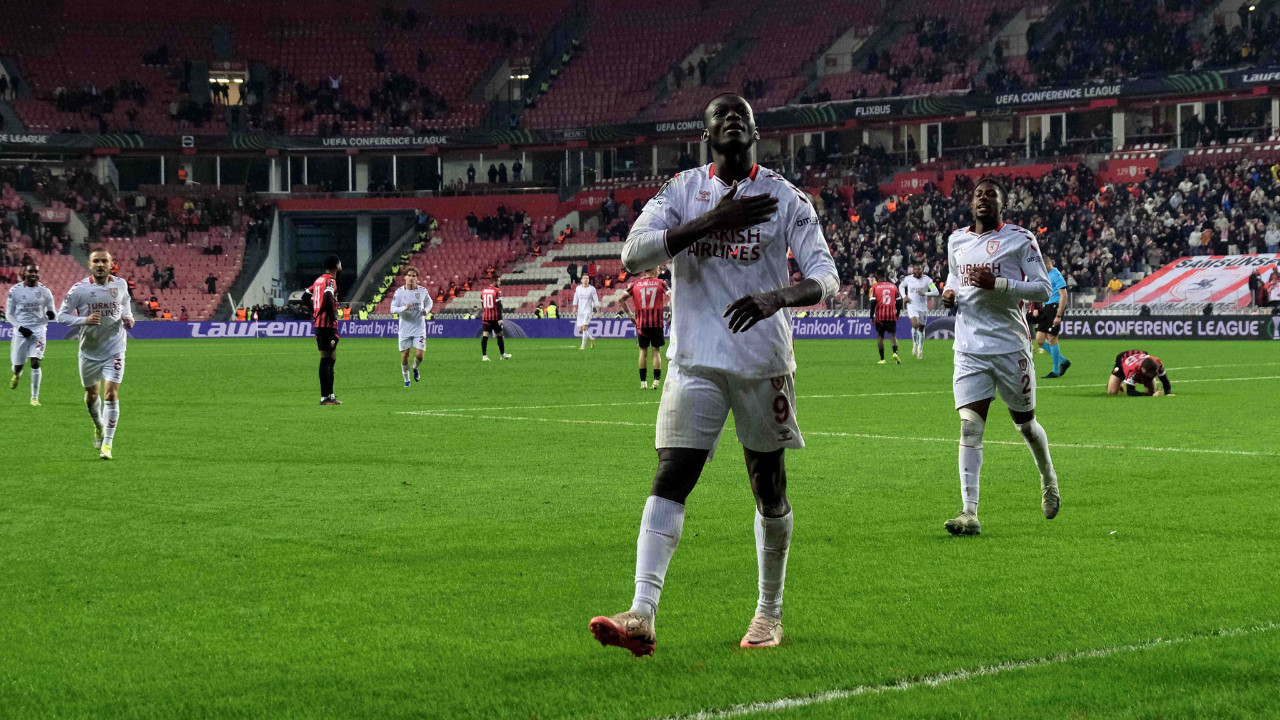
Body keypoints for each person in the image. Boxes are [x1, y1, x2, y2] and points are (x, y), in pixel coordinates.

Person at [590, 93, 839, 656]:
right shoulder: (680, 191)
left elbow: (826, 276)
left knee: (768, 487)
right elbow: (632, 255)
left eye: (740, 114)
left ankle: (769, 613)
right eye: (720, 115)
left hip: (762, 363)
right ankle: (641, 613)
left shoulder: (784, 196)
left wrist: (778, 296)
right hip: (695, 361)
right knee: (671, 476)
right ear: (706, 135)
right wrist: (712, 221)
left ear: (755, 130)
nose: (731, 119)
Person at [939, 177, 1059, 536]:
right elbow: (953, 276)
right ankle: (969, 512)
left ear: (1002, 204)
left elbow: (1043, 289)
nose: (983, 199)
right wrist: (948, 292)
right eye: (978, 195)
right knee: (970, 426)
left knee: (1025, 425)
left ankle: (1048, 479)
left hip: (1009, 347)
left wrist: (999, 284)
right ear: (971, 202)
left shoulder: (1020, 239)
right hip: (968, 348)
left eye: (991, 195)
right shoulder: (956, 240)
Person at [57, 249, 135, 459]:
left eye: (104, 261)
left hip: (115, 348)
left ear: (111, 264)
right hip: (89, 351)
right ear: (90, 265)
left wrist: (128, 317)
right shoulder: (79, 290)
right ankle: (99, 425)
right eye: (96, 261)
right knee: (92, 395)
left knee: (111, 394)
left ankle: (107, 444)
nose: (100, 265)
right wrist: (84, 320)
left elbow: (125, 306)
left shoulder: (120, 285)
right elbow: (61, 317)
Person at [7, 264, 57, 406]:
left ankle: (34, 398)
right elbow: (9, 314)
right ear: (24, 273)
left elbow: (52, 311)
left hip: (39, 332)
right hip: (21, 332)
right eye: (31, 271)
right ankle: (17, 374)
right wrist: (20, 328)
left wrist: (51, 314)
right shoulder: (15, 291)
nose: (34, 274)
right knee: (18, 366)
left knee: (35, 362)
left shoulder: (45, 291)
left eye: (36, 271)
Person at [301, 255, 342, 405]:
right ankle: (325, 397)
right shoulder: (330, 281)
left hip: (321, 325)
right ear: (336, 266)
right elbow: (328, 295)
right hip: (326, 325)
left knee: (331, 358)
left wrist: (315, 311)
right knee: (326, 359)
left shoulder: (318, 281)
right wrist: (331, 314)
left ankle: (330, 395)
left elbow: (305, 296)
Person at [622, 267, 669, 389]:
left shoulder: (635, 284)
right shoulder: (661, 283)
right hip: (656, 323)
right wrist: (671, 312)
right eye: (657, 269)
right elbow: (671, 295)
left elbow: (621, 299)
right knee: (656, 352)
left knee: (643, 352)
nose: (658, 272)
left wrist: (630, 315)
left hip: (641, 323)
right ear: (653, 271)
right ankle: (656, 381)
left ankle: (643, 382)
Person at [390, 267, 433, 387]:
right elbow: (393, 309)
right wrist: (404, 308)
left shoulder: (422, 291)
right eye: (409, 275)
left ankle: (415, 367)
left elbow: (430, 302)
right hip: (405, 329)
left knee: (420, 356)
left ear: (417, 278)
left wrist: (426, 310)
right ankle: (406, 380)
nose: (411, 278)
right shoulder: (399, 292)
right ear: (405, 277)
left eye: (414, 276)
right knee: (405, 355)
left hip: (419, 328)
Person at [1037, 256, 1071, 378]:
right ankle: (1063, 361)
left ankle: (1055, 371)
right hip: (1046, 307)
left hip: (1055, 308)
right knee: (1040, 340)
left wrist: (1059, 315)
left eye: (1044, 265)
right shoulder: (1045, 275)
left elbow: (1064, 295)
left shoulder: (1056, 275)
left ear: (1049, 263)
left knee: (1052, 338)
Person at [899, 265, 938, 359]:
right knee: (915, 324)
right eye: (915, 269)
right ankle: (915, 344)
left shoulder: (928, 280)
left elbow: (936, 292)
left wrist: (925, 293)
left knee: (921, 328)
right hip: (911, 305)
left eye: (918, 269)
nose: (916, 271)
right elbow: (901, 286)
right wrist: (904, 296)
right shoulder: (908, 279)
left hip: (922, 307)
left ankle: (920, 348)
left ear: (922, 270)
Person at [869, 267, 901, 365]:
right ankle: (895, 353)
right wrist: (897, 313)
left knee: (880, 337)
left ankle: (882, 359)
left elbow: (873, 303)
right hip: (891, 315)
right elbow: (899, 301)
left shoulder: (875, 287)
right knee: (893, 336)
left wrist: (871, 316)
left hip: (880, 316)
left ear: (877, 277)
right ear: (885, 276)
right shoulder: (893, 286)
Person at [1107, 350, 1173, 396]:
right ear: (1143, 370)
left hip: (1140, 355)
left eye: (1153, 374)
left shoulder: (1158, 364)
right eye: (1149, 375)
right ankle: (1120, 381)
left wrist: (1168, 393)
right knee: (1112, 392)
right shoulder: (1132, 370)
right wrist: (1148, 395)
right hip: (1123, 359)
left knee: (1152, 391)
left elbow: (1165, 381)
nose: (1151, 376)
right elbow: (1130, 392)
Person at [479, 279, 510, 361]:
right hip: (495, 318)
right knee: (499, 335)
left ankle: (484, 356)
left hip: (486, 317)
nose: (500, 283)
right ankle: (502, 355)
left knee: (485, 336)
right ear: (494, 282)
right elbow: (499, 305)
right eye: (498, 281)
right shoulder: (497, 291)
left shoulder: (483, 291)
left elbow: (482, 304)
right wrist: (500, 318)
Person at [573, 275, 600, 350]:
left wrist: (598, 311)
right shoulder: (578, 288)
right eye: (584, 278)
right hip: (580, 311)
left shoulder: (592, 289)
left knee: (584, 327)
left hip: (588, 311)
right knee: (581, 330)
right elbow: (576, 297)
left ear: (588, 280)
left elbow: (596, 300)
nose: (585, 279)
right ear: (581, 280)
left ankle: (583, 346)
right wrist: (574, 306)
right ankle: (592, 338)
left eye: (587, 278)